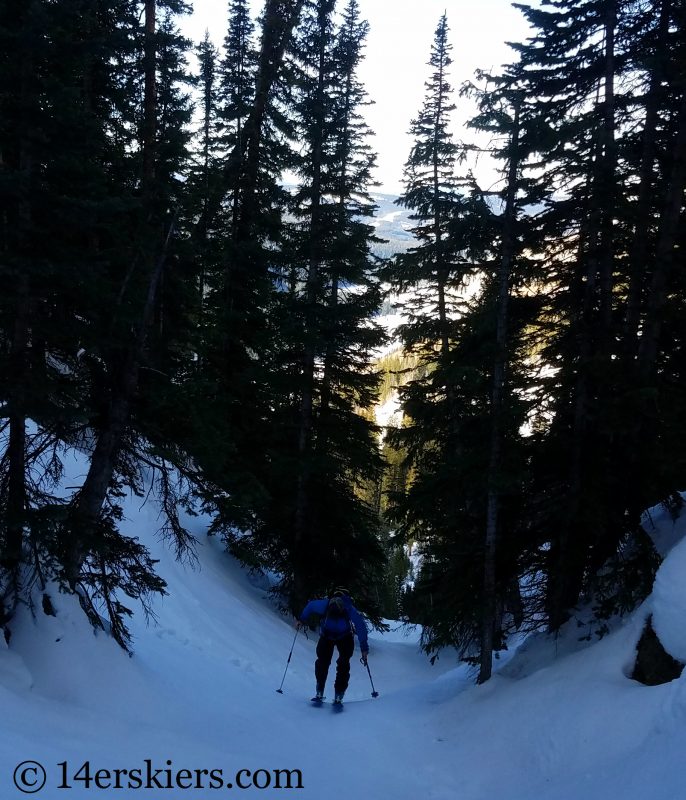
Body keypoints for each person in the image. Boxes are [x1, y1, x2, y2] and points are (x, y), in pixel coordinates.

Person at [298, 587, 369, 704]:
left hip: (327, 635)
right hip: (345, 636)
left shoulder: (325, 604)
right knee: (343, 664)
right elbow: (360, 626)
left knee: (322, 662)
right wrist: (364, 648)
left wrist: (302, 620)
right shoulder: (349, 607)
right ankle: (339, 695)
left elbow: (310, 606)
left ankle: (319, 691)